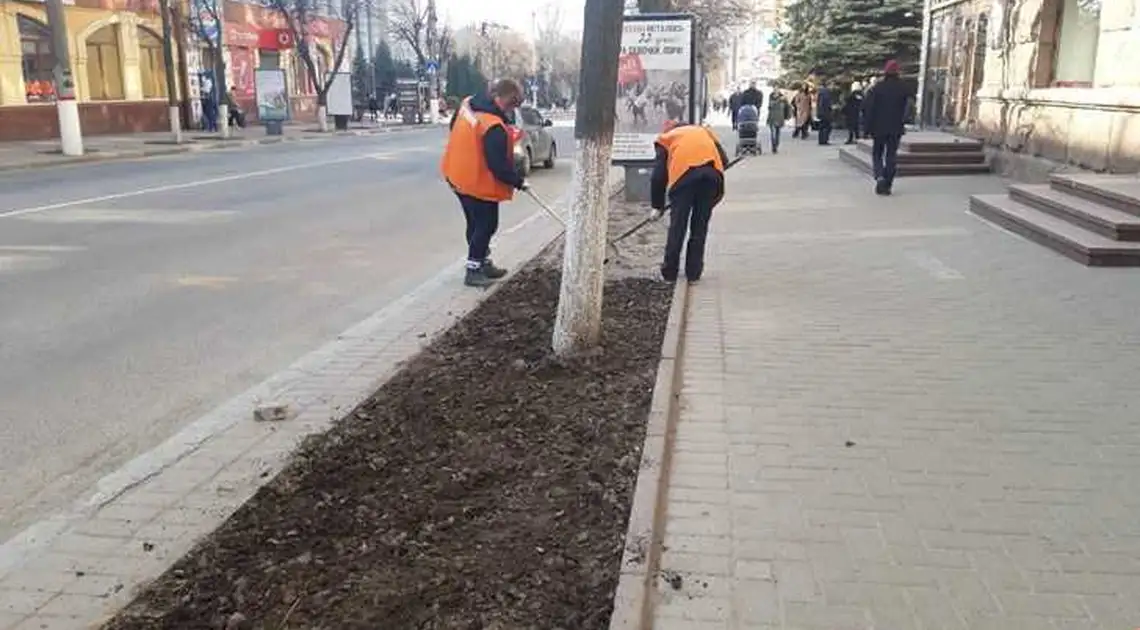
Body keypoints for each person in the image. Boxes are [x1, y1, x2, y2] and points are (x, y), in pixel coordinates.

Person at [440, 79, 528, 287]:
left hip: (456, 174)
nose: (510, 111)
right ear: (501, 99)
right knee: (486, 225)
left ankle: (482, 262)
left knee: (475, 223)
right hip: (475, 181)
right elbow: (498, 165)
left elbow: (454, 129)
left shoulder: (468, 105)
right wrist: (518, 181)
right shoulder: (493, 126)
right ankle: (473, 270)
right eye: (510, 106)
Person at [650, 120, 729, 284]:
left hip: (684, 180)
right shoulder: (704, 132)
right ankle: (693, 273)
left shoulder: (665, 139)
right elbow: (724, 160)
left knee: (678, 226)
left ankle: (670, 273)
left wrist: (657, 206)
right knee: (699, 226)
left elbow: (658, 176)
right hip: (711, 178)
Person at [862, 60, 910, 195]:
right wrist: (902, 122)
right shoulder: (903, 88)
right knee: (891, 155)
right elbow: (907, 108)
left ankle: (880, 176)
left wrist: (867, 128)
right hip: (895, 128)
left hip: (878, 128)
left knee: (877, 153)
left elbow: (869, 109)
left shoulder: (877, 88)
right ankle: (888, 182)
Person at [766, 90, 791, 154]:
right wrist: (779, 99)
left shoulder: (783, 99)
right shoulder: (771, 97)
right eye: (775, 89)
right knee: (773, 133)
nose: (776, 91)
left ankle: (776, 145)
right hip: (772, 118)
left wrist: (788, 116)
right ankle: (774, 147)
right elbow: (770, 106)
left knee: (778, 133)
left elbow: (788, 108)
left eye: (777, 89)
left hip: (780, 119)